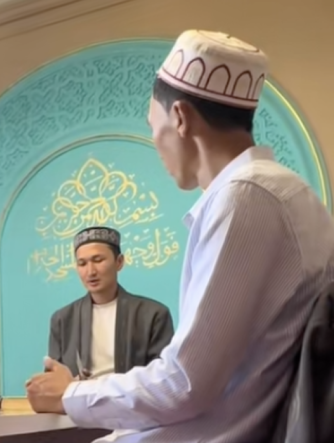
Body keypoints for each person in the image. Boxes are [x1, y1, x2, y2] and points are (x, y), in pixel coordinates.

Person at [25, 30, 334, 442]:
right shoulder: (284, 191)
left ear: (181, 118)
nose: (157, 144)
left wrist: (70, 394)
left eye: (154, 127)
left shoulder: (245, 195)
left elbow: (184, 384)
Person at [48, 226, 174, 379]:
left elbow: (163, 376)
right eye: (82, 264)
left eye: (98, 260)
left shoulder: (153, 315)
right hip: (80, 395)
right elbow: (54, 378)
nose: (90, 271)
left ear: (119, 262)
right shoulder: (63, 319)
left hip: (132, 394)